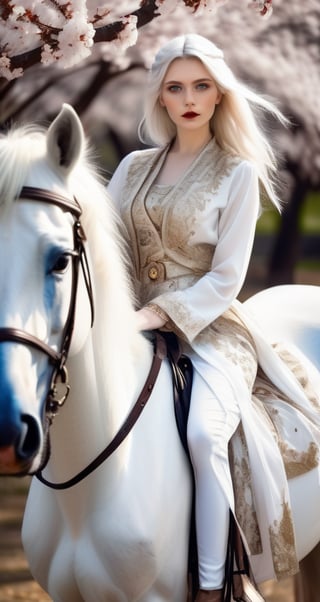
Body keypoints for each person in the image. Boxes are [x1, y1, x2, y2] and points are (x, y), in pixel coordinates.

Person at [108, 34, 320, 602]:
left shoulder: (238, 173)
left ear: (221, 94)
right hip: (126, 322)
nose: (189, 98)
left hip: (211, 328)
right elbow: (108, 253)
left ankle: (217, 582)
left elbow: (226, 278)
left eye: (202, 86)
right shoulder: (131, 168)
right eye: (175, 88)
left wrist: (155, 315)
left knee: (205, 433)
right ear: (160, 97)